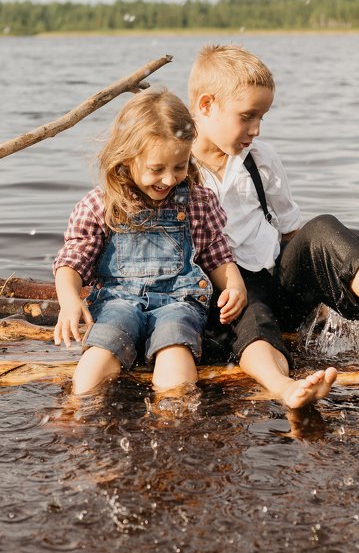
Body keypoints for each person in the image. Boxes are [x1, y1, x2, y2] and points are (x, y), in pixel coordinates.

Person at [187, 44, 359, 409]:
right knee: (253, 320)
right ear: (206, 106)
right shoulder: (172, 167)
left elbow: (291, 232)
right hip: (225, 298)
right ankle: (283, 386)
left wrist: (320, 286)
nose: (257, 129)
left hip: (276, 281)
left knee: (323, 227)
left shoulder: (261, 159)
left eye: (263, 116)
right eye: (247, 116)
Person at [53, 87, 247, 395]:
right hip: (117, 300)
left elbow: (214, 252)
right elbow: (72, 261)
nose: (170, 179)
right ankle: (78, 410)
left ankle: (173, 416)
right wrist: (69, 301)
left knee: (175, 349)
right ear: (127, 158)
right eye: (157, 169)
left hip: (178, 301)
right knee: (102, 350)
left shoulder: (197, 201)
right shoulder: (101, 205)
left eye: (180, 167)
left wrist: (234, 286)